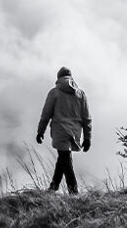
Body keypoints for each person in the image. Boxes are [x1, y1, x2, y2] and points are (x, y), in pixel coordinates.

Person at [36, 66, 92, 194]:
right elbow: (87, 118)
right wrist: (87, 138)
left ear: (58, 78)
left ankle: (73, 191)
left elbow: (46, 114)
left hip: (60, 130)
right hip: (75, 131)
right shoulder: (80, 94)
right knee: (64, 157)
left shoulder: (54, 92)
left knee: (65, 159)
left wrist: (40, 132)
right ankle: (54, 186)